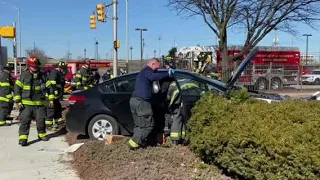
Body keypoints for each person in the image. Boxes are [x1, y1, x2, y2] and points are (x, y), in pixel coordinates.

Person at [128, 58, 175, 150]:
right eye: (158, 66)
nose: (158, 69)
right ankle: (134, 142)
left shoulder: (142, 72)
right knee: (149, 125)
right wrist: (168, 73)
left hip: (134, 100)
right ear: (153, 64)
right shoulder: (147, 72)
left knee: (139, 125)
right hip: (142, 102)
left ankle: (136, 144)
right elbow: (154, 77)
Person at [14, 56, 49, 146]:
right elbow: (17, 88)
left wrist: (50, 98)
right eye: (32, 66)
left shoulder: (43, 76)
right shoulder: (23, 76)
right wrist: (18, 101)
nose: (34, 67)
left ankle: (42, 135)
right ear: (29, 66)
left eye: (36, 66)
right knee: (25, 121)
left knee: (41, 121)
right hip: (26, 104)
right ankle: (23, 138)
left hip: (39, 104)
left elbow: (49, 87)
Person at [45, 61, 68, 131]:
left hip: (56, 95)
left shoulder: (59, 73)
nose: (64, 70)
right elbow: (52, 84)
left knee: (58, 108)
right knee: (51, 110)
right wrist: (54, 92)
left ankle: (59, 122)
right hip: (51, 95)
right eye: (63, 68)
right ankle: (48, 125)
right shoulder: (54, 72)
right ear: (60, 68)